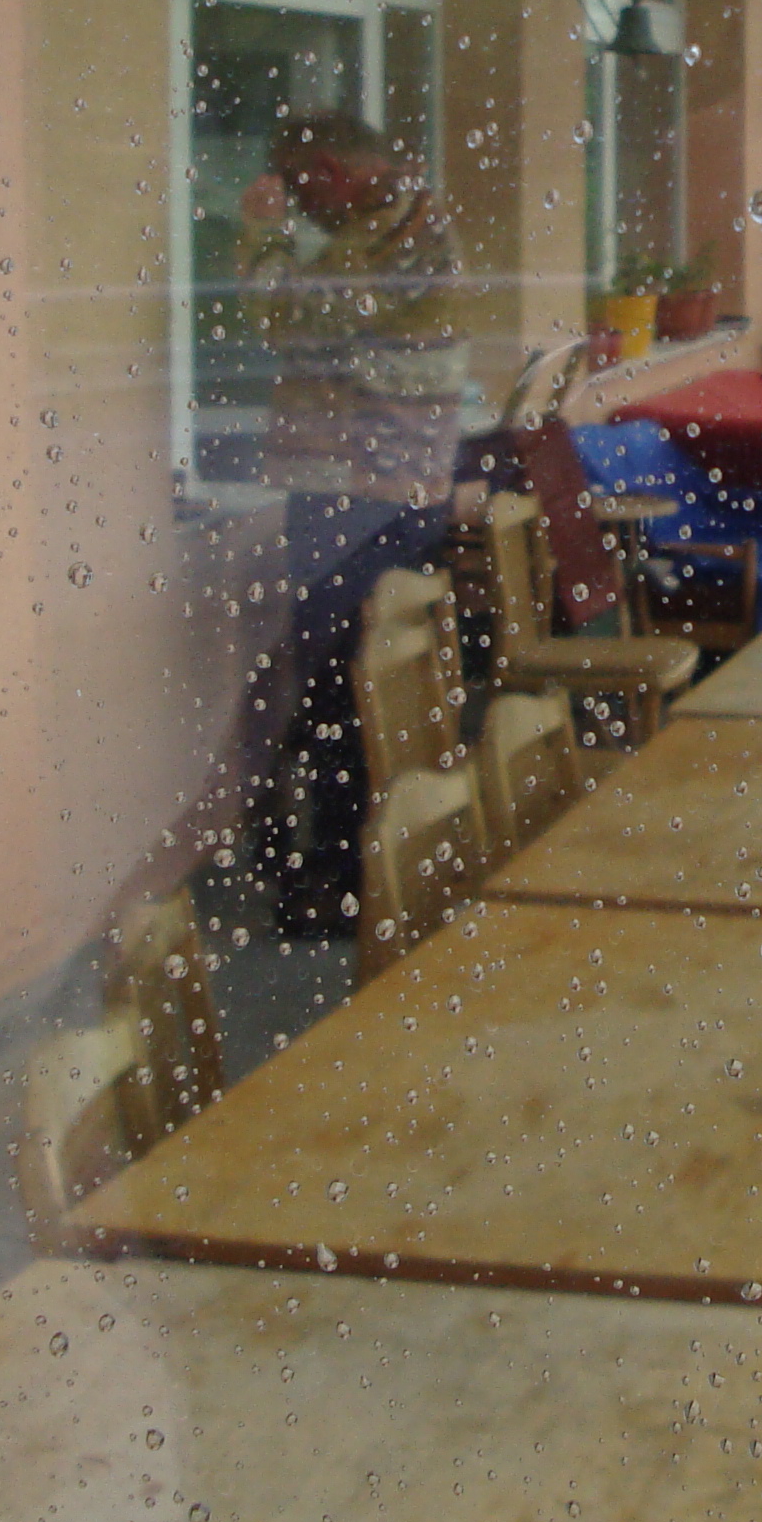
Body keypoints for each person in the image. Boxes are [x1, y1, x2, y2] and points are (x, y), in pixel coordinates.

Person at [232, 111, 464, 933]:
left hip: (362, 493)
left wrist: (261, 234)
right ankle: (374, 861)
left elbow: (287, 319)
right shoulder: (407, 218)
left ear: (329, 172)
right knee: (367, 682)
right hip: (391, 484)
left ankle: (342, 880)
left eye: (301, 194)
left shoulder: (392, 233)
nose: (302, 212)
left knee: (343, 688)